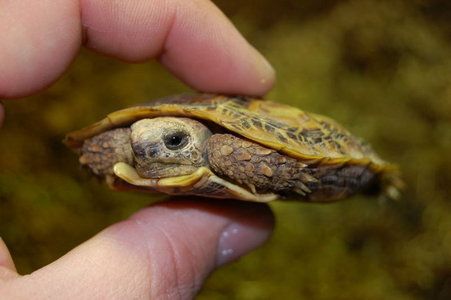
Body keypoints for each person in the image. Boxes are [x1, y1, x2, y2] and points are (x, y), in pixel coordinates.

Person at [0, 1, 276, 299]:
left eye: (174, 141)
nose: (148, 151)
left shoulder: (222, 146)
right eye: (137, 143)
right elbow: (109, 145)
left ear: (199, 137)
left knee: (226, 152)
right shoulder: (130, 143)